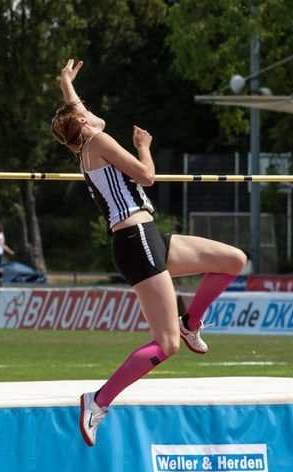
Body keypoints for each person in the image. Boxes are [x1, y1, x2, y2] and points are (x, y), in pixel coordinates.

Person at [51, 59, 246, 447]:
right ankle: (98, 401)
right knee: (166, 344)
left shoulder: (86, 145)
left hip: (146, 236)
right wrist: (144, 148)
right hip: (135, 239)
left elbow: (76, 115)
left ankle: (192, 322)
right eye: (84, 111)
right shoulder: (98, 142)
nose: (90, 111)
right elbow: (147, 176)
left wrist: (66, 84)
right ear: (84, 123)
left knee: (233, 260)